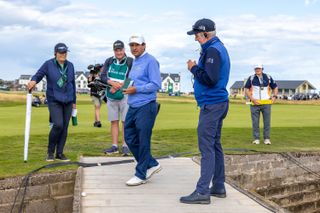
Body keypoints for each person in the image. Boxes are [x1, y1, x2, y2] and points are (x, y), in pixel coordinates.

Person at [180, 18, 230, 204]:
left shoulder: (213, 50)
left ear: (206, 34)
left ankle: (202, 192)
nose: (195, 39)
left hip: (212, 104)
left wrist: (193, 68)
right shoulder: (216, 48)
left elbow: (210, 78)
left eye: (197, 35)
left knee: (207, 146)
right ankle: (218, 186)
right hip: (217, 103)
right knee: (215, 145)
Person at [123, 35, 162, 186]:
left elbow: (155, 84)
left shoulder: (151, 61)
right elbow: (132, 82)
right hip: (133, 105)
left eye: (137, 45)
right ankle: (151, 163)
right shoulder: (135, 61)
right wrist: (123, 87)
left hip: (146, 105)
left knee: (143, 140)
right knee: (130, 137)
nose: (134, 48)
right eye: (131, 45)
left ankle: (141, 174)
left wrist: (136, 89)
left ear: (144, 45)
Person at [27, 43, 76, 162]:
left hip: (68, 100)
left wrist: (74, 101)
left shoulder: (70, 65)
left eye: (64, 52)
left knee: (64, 127)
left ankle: (60, 153)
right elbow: (38, 75)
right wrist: (33, 81)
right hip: (54, 99)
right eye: (60, 52)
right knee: (58, 124)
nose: (63, 55)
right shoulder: (48, 64)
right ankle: (50, 152)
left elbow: (73, 84)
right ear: (55, 53)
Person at [100, 40, 133, 156]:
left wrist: (119, 87)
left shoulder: (130, 61)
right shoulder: (109, 61)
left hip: (125, 96)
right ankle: (114, 146)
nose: (118, 52)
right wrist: (111, 83)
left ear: (124, 50)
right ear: (114, 51)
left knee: (125, 122)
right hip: (111, 96)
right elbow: (102, 76)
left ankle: (125, 146)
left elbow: (131, 77)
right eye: (116, 50)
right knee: (114, 122)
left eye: (120, 50)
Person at [244, 64, 278, 145]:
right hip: (254, 103)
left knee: (267, 122)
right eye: (256, 69)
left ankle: (267, 139)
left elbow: (275, 87)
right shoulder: (251, 78)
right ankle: (256, 139)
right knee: (255, 122)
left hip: (266, 103)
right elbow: (246, 89)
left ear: (262, 69)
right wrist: (252, 99)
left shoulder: (268, 77)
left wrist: (274, 96)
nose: (257, 70)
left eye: (259, 68)